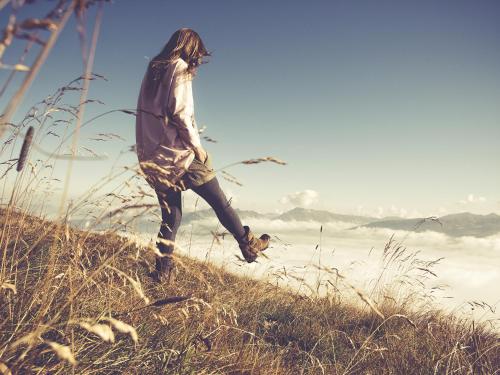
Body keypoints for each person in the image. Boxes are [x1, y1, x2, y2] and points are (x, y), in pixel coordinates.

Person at [135, 28, 270, 283]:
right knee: (220, 203)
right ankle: (249, 245)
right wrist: (197, 147)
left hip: (153, 156)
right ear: (190, 48)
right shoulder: (179, 67)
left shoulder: (153, 70)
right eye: (197, 53)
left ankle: (162, 274)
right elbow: (181, 113)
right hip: (179, 154)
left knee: (171, 217)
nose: (197, 60)